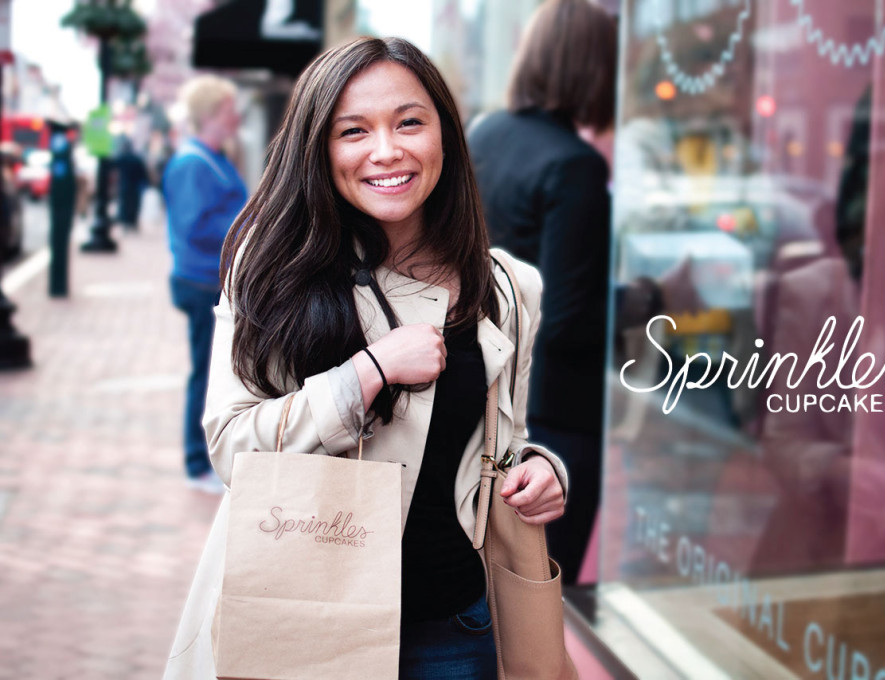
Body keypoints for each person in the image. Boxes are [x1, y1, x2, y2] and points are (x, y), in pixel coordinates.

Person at [164, 37, 568, 679]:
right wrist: (367, 373)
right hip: (307, 618)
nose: (387, 151)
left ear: (445, 135)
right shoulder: (274, 271)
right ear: (320, 148)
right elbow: (231, 446)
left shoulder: (507, 287)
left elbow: (502, 441)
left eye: (410, 121)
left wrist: (541, 473)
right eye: (354, 130)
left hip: (454, 628)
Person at [467, 0, 616, 585]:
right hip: (558, 411)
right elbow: (569, 316)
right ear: (595, 68)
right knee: (538, 591)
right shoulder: (574, 166)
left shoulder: (487, 132)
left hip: (493, 396)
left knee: (492, 581)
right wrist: (648, 301)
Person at [163, 75, 247, 493]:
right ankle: (197, 461)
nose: (238, 116)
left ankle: (206, 457)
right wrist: (248, 225)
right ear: (214, 113)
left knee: (213, 372)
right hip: (200, 283)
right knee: (205, 374)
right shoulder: (192, 163)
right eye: (231, 108)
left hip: (208, 280)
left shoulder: (213, 157)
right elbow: (193, 224)